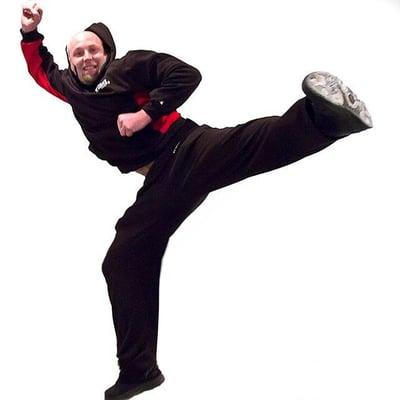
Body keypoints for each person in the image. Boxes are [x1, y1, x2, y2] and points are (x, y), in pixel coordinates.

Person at [20, 2, 373, 399]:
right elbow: (40, 69)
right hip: (161, 181)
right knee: (123, 259)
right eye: (78, 53)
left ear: (107, 53)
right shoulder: (70, 88)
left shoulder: (128, 68)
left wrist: (145, 114)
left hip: (183, 148)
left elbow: (185, 75)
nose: (87, 57)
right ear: (70, 62)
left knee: (246, 146)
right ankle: (138, 372)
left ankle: (325, 117)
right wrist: (30, 33)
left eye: (94, 50)